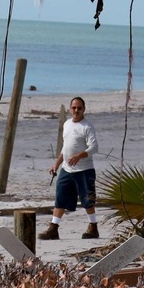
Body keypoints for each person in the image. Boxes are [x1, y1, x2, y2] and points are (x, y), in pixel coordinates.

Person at [39, 96, 99, 240]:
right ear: (70, 109)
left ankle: (93, 227)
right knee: (60, 197)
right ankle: (53, 228)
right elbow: (65, 148)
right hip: (67, 169)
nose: (76, 110)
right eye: (74, 108)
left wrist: (79, 155)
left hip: (84, 170)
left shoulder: (87, 127)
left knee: (87, 201)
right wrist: (56, 164)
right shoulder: (67, 124)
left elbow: (94, 147)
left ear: (84, 109)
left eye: (79, 108)